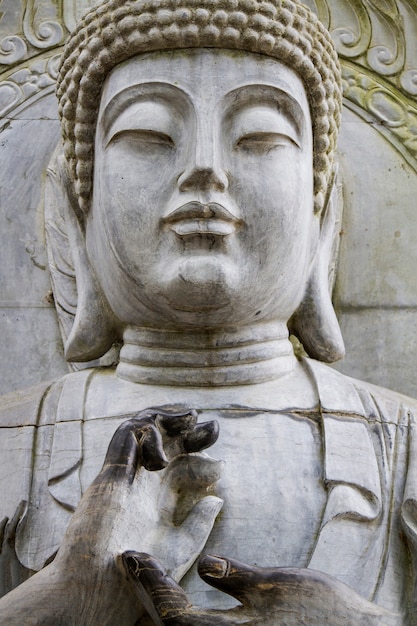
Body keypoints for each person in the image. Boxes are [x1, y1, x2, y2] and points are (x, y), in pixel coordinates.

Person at [0, 0, 416, 623]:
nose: (205, 168)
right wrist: (64, 601)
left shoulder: (405, 445)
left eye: (259, 137)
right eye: (146, 136)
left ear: (320, 218)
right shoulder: (14, 441)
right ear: (77, 217)